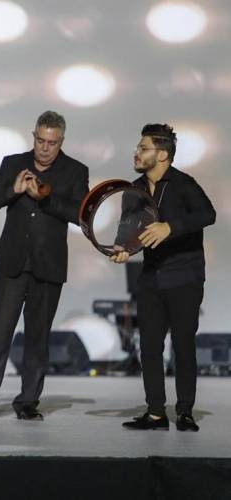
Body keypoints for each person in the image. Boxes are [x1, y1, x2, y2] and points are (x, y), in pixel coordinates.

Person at [0, 111, 89, 420]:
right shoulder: (13, 163)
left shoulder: (75, 171)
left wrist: (45, 199)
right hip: (11, 263)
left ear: (61, 141)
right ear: (33, 136)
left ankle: (28, 402)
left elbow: (81, 215)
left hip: (48, 266)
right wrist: (14, 190)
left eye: (52, 143)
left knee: (38, 337)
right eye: (40, 140)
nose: (45, 148)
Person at [112, 123, 215, 432]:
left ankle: (185, 412)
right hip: (151, 276)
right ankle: (156, 412)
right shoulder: (134, 189)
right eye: (138, 147)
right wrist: (122, 249)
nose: (136, 152)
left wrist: (170, 227)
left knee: (183, 345)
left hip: (185, 275)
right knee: (149, 347)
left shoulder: (183, 184)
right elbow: (127, 230)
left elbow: (207, 215)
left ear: (162, 154)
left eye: (143, 148)